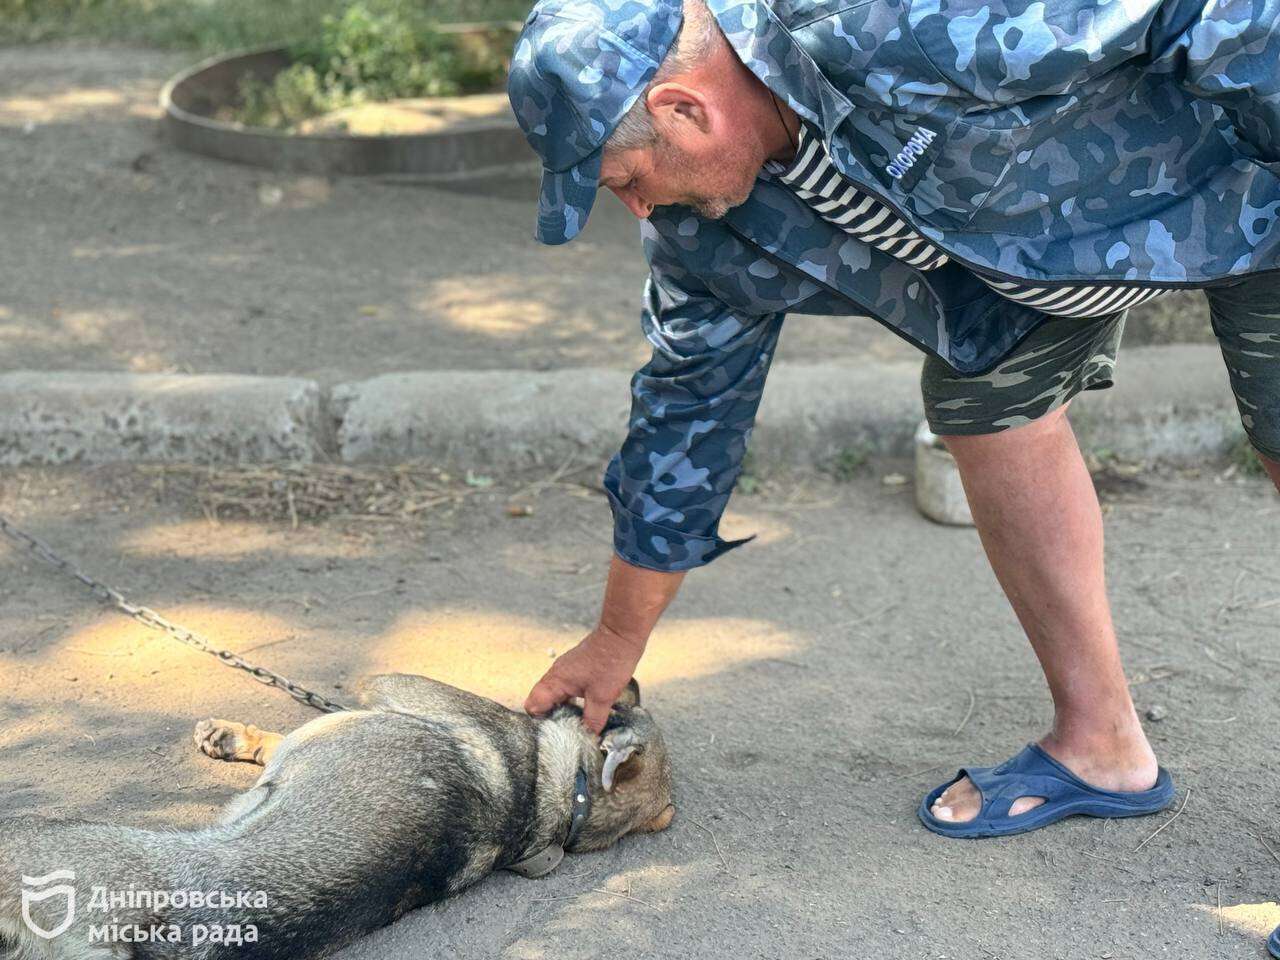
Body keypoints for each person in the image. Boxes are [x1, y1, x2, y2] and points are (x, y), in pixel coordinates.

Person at [507, 0, 1280, 837]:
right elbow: (685, 410)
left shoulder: (898, 22)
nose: (639, 207)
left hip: (1246, 171)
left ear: (683, 110)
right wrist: (617, 638)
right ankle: (1103, 747)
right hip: (1041, 270)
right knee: (983, 402)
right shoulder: (702, 234)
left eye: (625, 178)